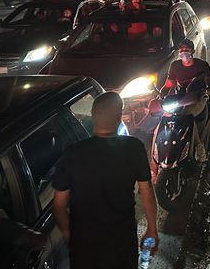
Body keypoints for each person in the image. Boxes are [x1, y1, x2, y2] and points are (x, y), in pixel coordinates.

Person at [52, 92, 159, 269]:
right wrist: (152, 230)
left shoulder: (73, 153)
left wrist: (69, 235)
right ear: (119, 118)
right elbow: (146, 192)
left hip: (85, 245)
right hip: (121, 241)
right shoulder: (134, 148)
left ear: (93, 116)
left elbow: (58, 206)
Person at [159, 39, 210, 163]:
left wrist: (204, 92)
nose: (184, 53)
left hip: (199, 98)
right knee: (166, 117)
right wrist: (160, 94)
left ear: (193, 51)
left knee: (187, 115)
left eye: (187, 50)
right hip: (180, 99)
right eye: (182, 51)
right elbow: (169, 85)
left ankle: (199, 147)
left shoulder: (202, 65)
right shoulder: (175, 66)